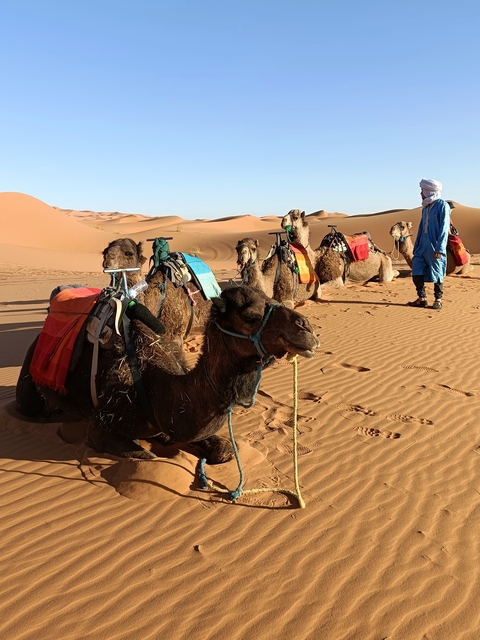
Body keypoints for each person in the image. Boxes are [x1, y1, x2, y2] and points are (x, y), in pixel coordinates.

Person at [407, 178, 451, 310]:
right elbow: (421, 227)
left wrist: (440, 248)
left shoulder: (442, 206)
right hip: (422, 246)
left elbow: (444, 228)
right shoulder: (425, 207)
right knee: (416, 269)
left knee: (437, 271)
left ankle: (438, 299)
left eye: (422, 190)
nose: (421, 193)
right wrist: (417, 245)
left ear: (428, 191)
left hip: (435, 246)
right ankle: (422, 298)